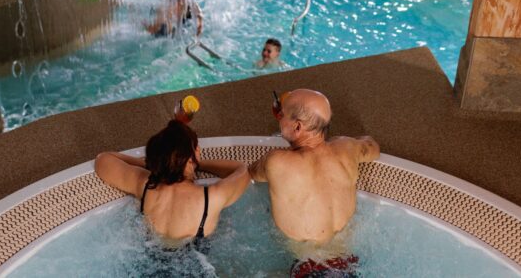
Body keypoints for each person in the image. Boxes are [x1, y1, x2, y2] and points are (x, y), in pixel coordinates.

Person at [249, 89, 380, 277]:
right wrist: (355, 142)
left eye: (281, 114)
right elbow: (372, 146)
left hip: (309, 270)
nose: (278, 118)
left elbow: (251, 172)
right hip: (347, 265)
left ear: (297, 127)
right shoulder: (347, 147)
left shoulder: (276, 162)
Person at [95, 120, 250, 249]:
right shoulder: (212, 197)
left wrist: (148, 165)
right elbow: (241, 170)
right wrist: (198, 164)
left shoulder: (145, 184)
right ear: (191, 157)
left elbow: (103, 160)